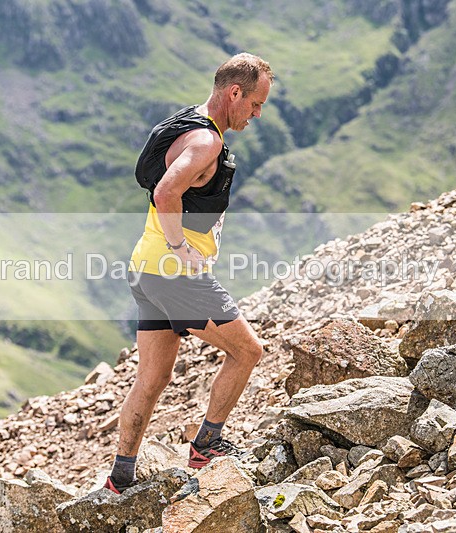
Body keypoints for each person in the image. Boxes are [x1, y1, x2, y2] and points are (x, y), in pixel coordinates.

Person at [104, 53, 274, 494]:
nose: (257, 114)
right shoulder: (206, 142)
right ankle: (207, 444)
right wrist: (181, 248)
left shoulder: (182, 122)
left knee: (153, 378)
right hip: (174, 275)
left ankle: (122, 475)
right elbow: (166, 190)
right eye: (255, 104)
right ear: (234, 92)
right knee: (248, 352)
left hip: (145, 269)